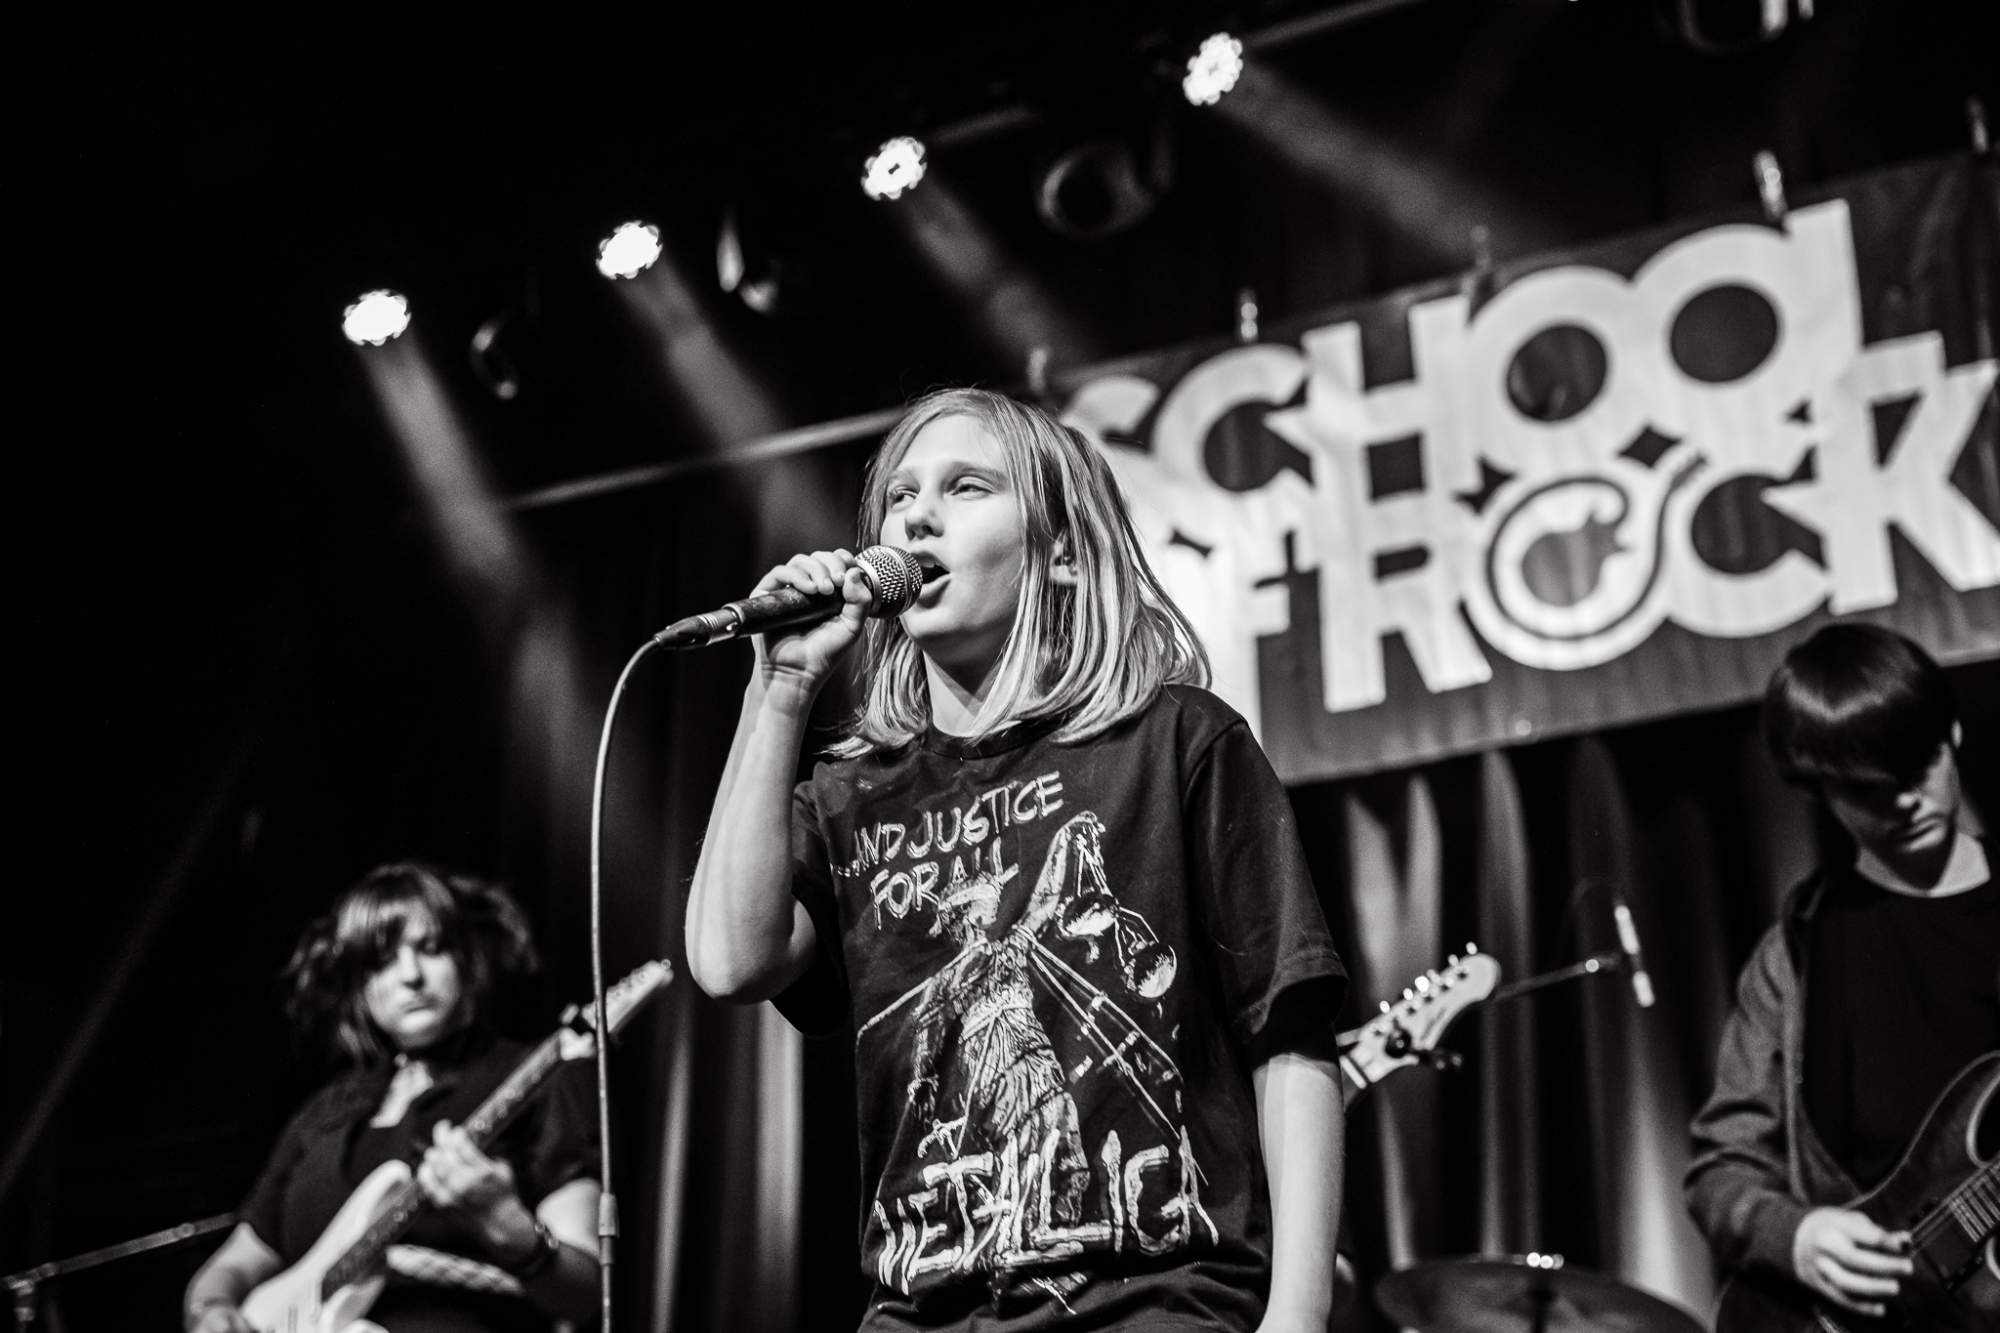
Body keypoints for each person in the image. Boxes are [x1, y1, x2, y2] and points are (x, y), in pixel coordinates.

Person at [684, 388, 1348, 1333]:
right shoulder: (852, 795)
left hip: (1152, 1298)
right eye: (901, 494)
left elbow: (1287, 1033)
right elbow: (728, 959)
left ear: (1065, 552)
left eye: (966, 486)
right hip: (923, 1306)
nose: (917, 514)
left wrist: (1299, 1316)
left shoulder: (1171, 743)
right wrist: (782, 689)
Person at [1687, 624, 1997, 1321]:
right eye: (1866, 788)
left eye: (1916, 769)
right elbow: (1720, 1165)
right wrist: (1794, 1236)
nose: (1901, 803)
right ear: (1816, 789)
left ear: (1951, 732)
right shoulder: (1793, 954)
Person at [183, 864, 602, 1333]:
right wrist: (212, 1312)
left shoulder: (537, 1077)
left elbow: (587, 1292)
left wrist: (510, 1228)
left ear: (467, 960)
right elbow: (234, 1265)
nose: (410, 975)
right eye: (382, 960)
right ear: (360, 986)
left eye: (433, 949)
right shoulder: (325, 1111)